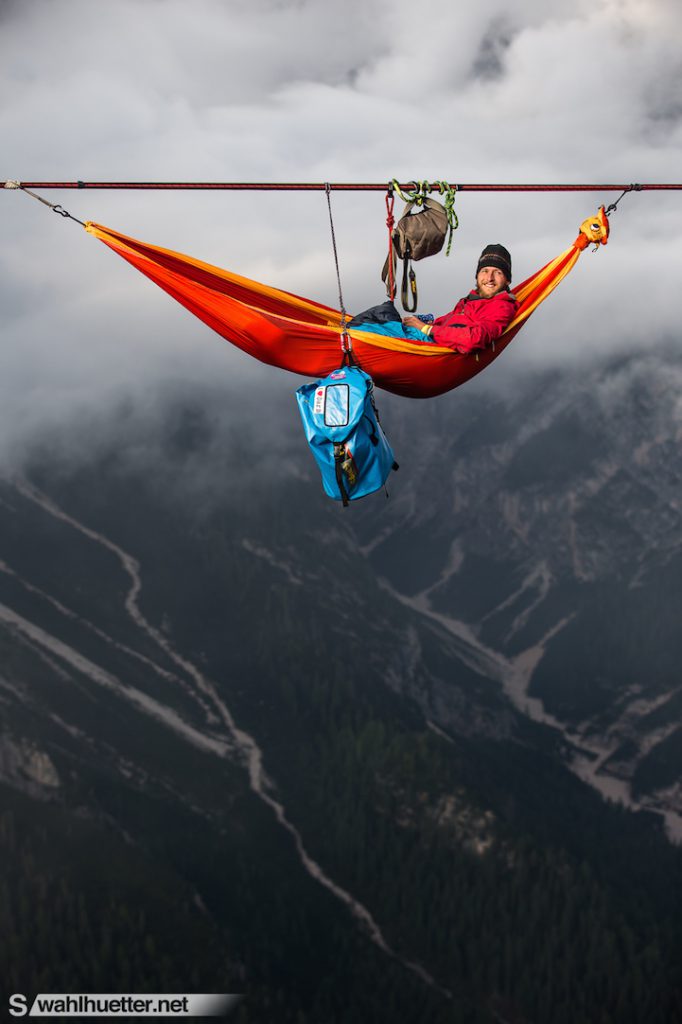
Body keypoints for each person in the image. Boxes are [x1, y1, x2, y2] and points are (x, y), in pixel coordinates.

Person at [349, 244, 518, 355]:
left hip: (430, 348)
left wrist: (426, 329)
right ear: (477, 275)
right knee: (383, 315)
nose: (489, 278)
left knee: (368, 327)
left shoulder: (501, 307)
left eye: (498, 272)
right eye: (485, 271)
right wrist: (424, 322)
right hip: (428, 339)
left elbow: (474, 339)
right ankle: (340, 335)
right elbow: (450, 321)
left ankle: (339, 339)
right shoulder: (471, 300)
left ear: (507, 281)